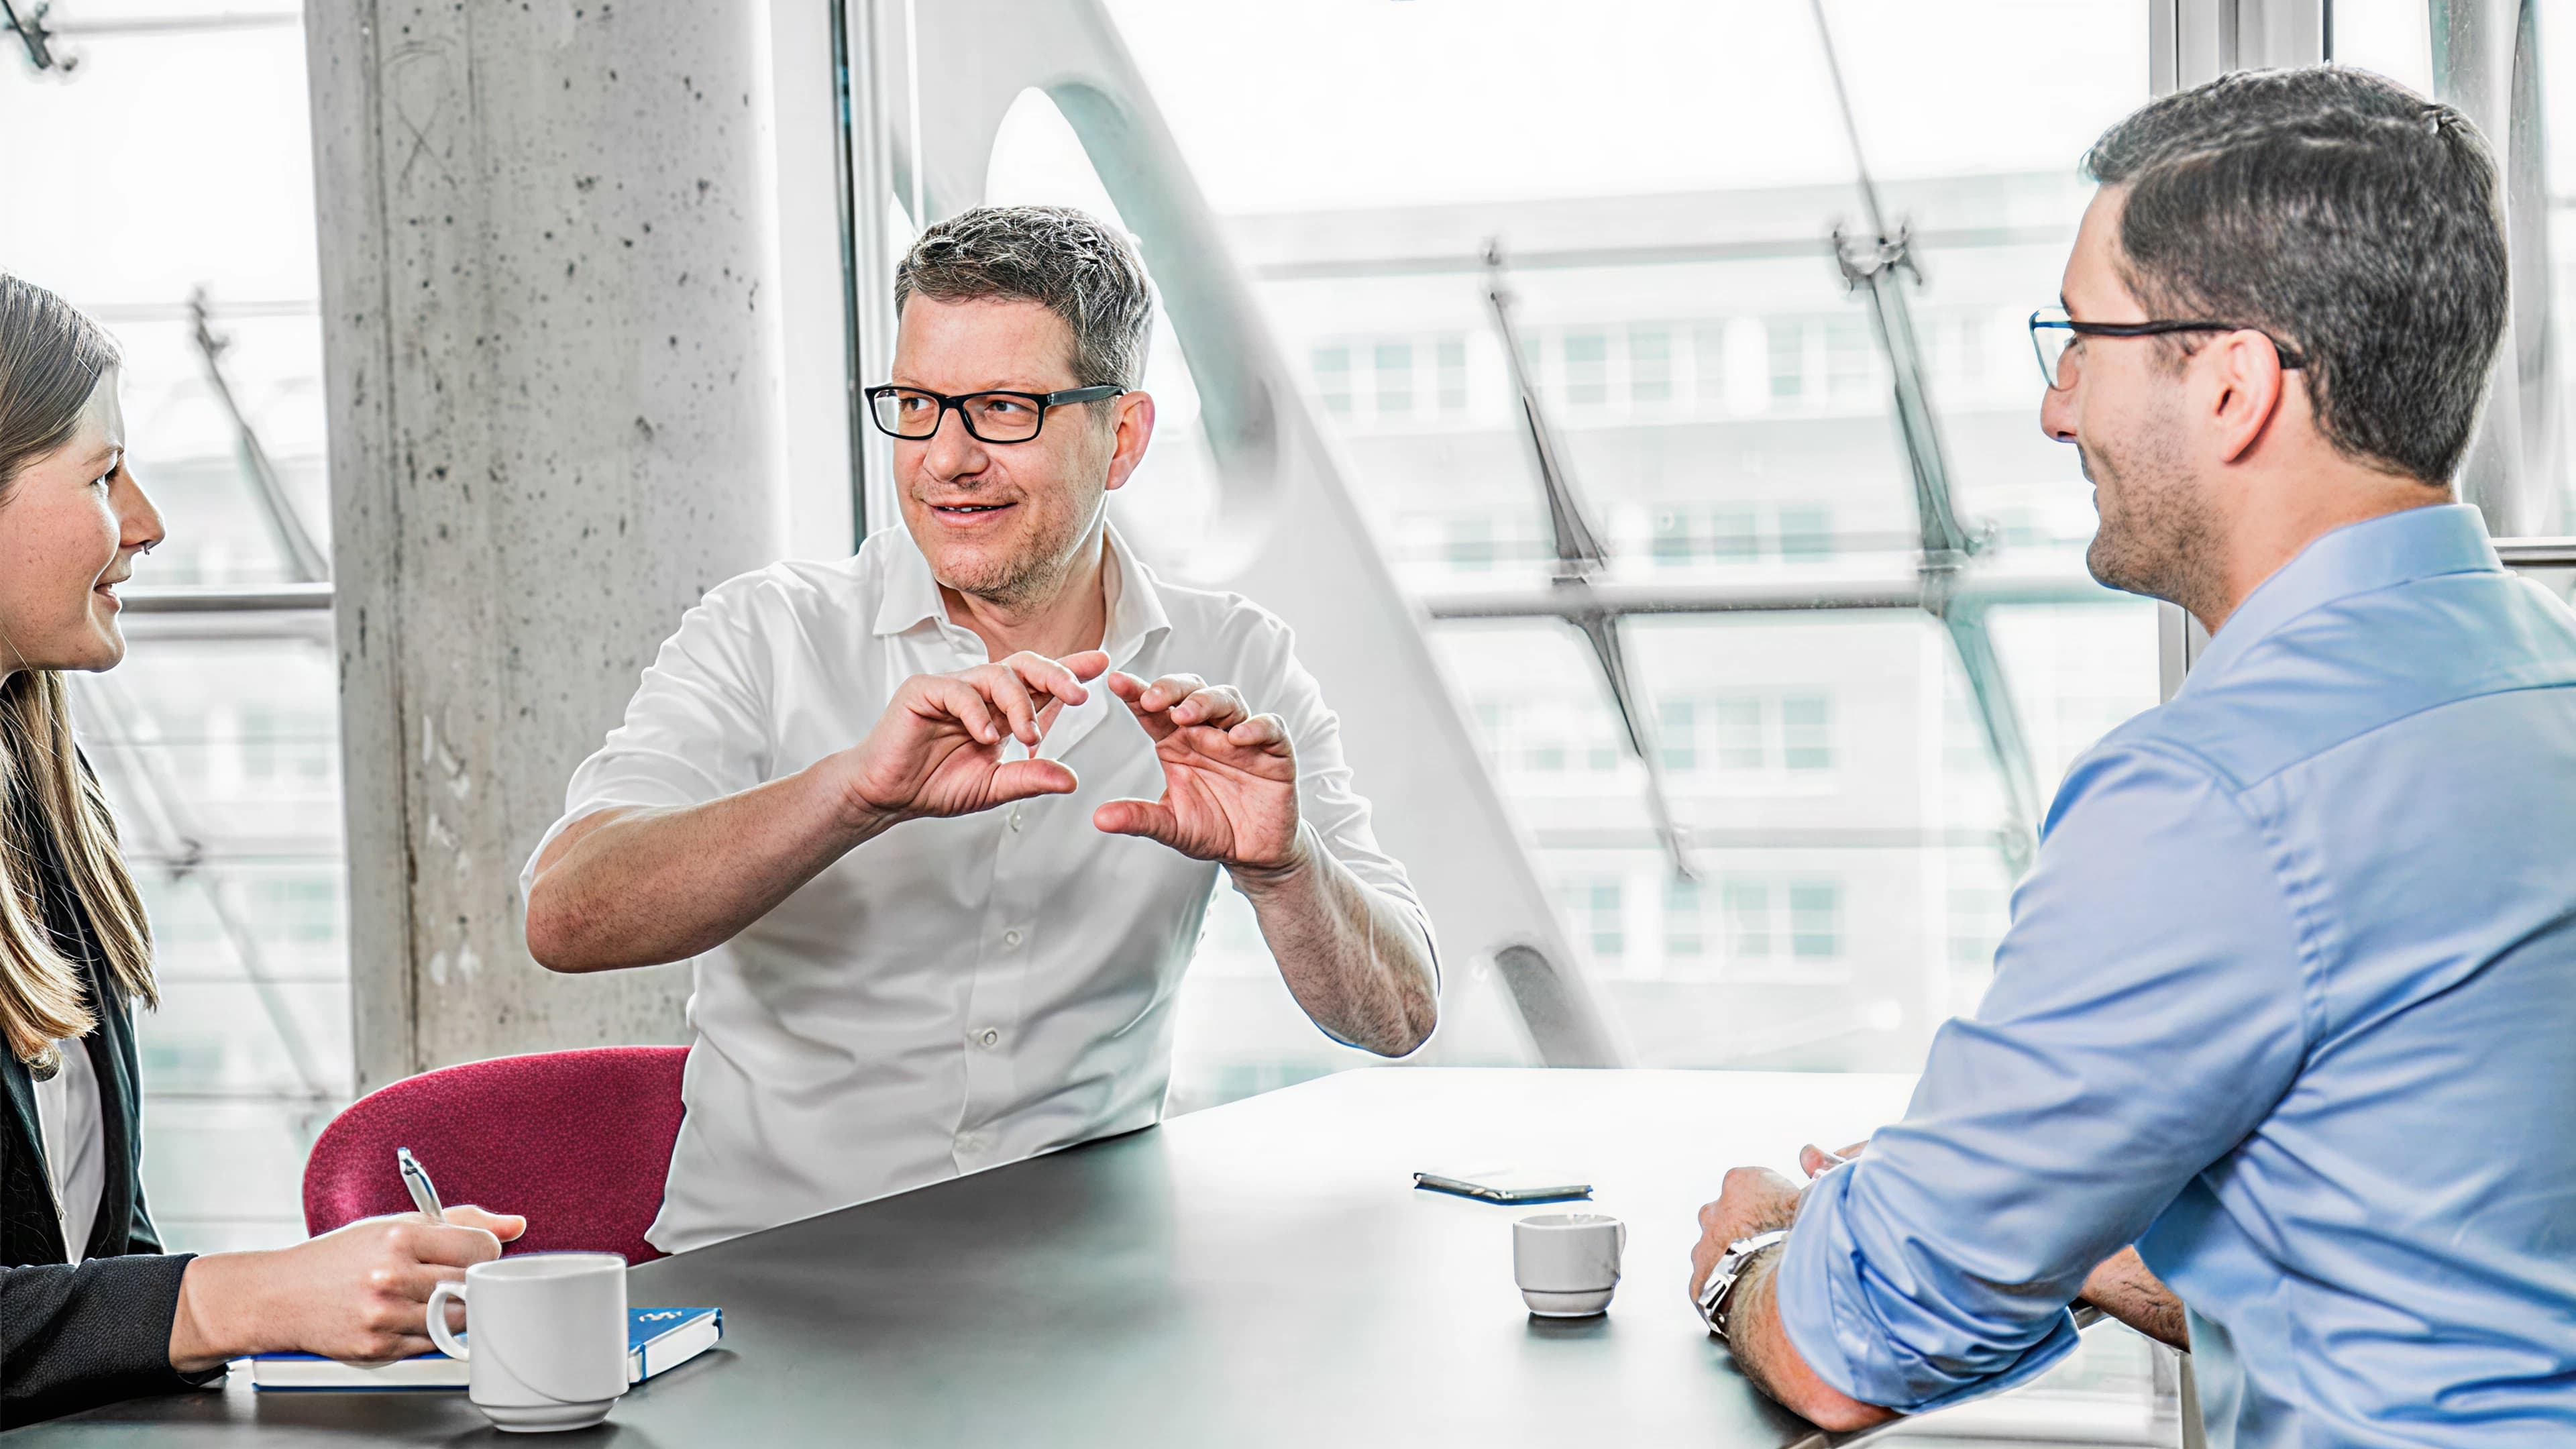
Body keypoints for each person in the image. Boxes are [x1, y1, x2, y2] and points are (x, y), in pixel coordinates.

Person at [1686, 66, 2576, 1445]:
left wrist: (1759, 1252)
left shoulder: (2220, 794)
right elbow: (2460, 1246)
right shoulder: (2545, 681)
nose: (2057, 413)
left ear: (2229, 386)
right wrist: (2079, 1220)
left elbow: (1850, 1343)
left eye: (2079, 343)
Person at [523, 204, 1440, 1254]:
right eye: (918, 404)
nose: (944, 458)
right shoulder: (765, 633)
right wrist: (853, 793)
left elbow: (1400, 1016)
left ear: (1122, 436)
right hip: (779, 1279)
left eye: (1003, 408)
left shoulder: (1236, 662)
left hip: (1092, 1288)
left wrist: (1286, 871)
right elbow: (567, 918)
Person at [0, 274, 527, 1426]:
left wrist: (291, 1316)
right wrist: (238, 1301)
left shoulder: (39, 789)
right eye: (100, 475)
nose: (145, 520)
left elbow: (90, 1245)